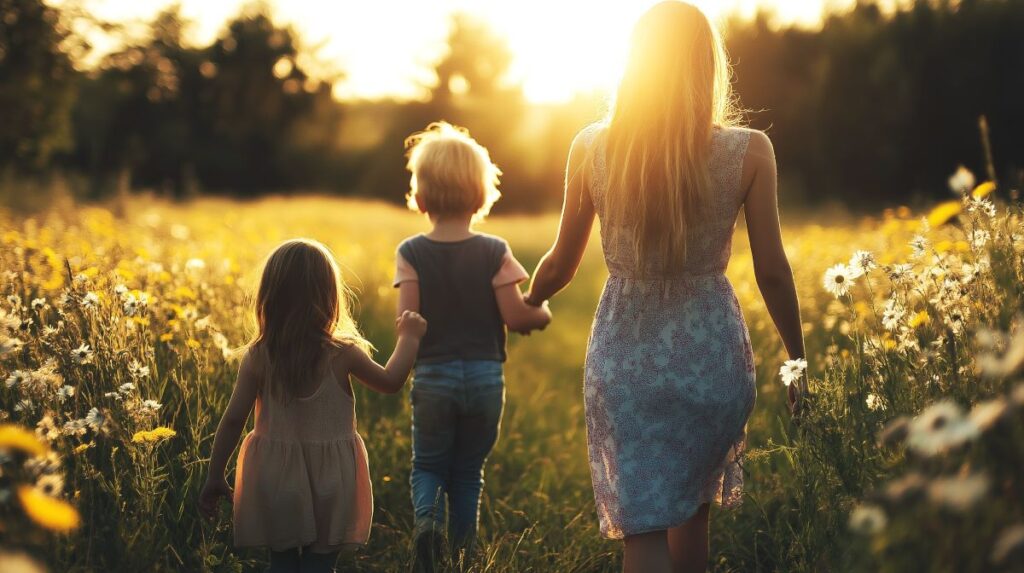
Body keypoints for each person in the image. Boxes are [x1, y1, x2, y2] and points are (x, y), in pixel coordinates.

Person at [524, 3, 806, 572]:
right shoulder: (750, 150)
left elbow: (560, 263)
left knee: (644, 527)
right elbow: (772, 271)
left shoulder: (592, 148)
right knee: (692, 517)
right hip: (710, 360)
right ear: (707, 66)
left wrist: (527, 300)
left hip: (625, 360)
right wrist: (798, 359)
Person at [198, 238, 428, 573]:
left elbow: (234, 420)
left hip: (276, 478)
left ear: (269, 298)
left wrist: (215, 473)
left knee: (283, 563)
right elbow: (391, 381)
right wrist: (409, 337)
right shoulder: (343, 353)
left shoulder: (259, 356)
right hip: (332, 480)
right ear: (329, 296)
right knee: (321, 564)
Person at [394, 122, 552, 572]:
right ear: (481, 196)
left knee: (428, 466)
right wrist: (543, 314)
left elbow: (408, 323)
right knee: (467, 473)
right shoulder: (494, 250)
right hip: (484, 378)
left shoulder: (410, 252)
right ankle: (464, 556)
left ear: (420, 199)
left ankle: (427, 526)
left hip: (433, 376)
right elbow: (517, 316)